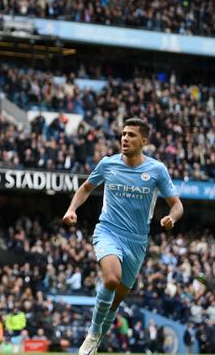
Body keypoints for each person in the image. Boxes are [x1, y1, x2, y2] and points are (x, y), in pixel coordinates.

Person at [62, 117, 183, 355]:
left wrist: (172, 217)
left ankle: (98, 340)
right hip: (108, 231)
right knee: (111, 279)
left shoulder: (157, 170)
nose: (125, 138)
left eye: (131, 135)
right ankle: (93, 334)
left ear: (144, 141)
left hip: (137, 241)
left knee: (116, 301)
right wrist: (71, 209)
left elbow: (177, 204)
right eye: (123, 134)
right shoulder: (108, 164)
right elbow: (86, 187)